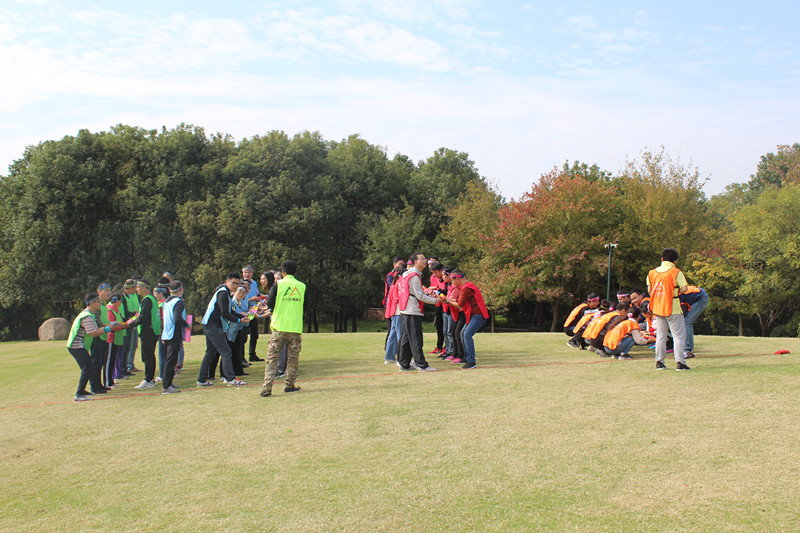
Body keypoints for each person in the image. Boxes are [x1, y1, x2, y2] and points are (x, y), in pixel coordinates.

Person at [260, 260, 306, 397]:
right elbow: (305, 305)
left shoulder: (278, 284)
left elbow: (269, 303)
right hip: (295, 327)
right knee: (293, 358)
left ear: (283, 272)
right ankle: (289, 384)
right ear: (295, 272)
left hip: (279, 326)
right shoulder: (302, 286)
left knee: (272, 358)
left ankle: (267, 387)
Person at [197, 273, 250, 387]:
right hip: (212, 326)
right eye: (233, 283)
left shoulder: (227, 293)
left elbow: (230, 311)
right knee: (226, 351)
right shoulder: (223, 293)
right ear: (227, 282)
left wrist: (241, 317)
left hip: (211, 325)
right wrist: (239, 320)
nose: (235, 286)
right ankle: (230, 378)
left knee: (210, 353)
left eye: (237, 283)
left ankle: (201, 380)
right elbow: (224, 313)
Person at [396, 252, 442, 372]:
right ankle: (421, 365)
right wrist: (436, 300)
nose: (425, 261)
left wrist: (428, 294)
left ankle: (403, 363)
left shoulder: (408, 274)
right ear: (415, 262)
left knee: (407, 337)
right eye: (422, 259)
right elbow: (419, 295)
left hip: (406, 309)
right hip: (412, 310)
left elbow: (416, 292)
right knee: (416, 338)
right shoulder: (414, 276)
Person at [647, 248, 690, 371]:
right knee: (678, 336)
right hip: (673, 307)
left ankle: (659, 361)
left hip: (658, 308)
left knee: (661, 336)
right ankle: (680, 362)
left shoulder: (652, 273)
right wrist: (674, 291)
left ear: (662, 259)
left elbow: (650, 290)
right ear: (675, 261)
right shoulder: (676, 272)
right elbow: (685, 288)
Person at [66, 292, 112, 401]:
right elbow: (93, 333)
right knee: (87, 368)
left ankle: (82, 391)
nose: (100, 303)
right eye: (98, 302)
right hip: (76, 346)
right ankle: (79, 394)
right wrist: (108, 329)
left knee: (89, 368)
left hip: (79, 345)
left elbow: (94, 330)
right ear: (91, 303)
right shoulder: (87, 316)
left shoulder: (89, 314)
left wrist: (108, 327)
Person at [445, 270, 489, 369]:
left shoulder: (467, 288)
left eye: (452, 280)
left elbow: (459, 305)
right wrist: (446, 299)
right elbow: (458, 300)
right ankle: (466, 358)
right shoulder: (467, 286)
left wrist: (446, 301)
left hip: (478, 315)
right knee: (462, 334)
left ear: (458, 278)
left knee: (466, 335)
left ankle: (471, 362)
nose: (452, 282)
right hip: (474, 315)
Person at [130, 280, 161, 389]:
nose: (136, 289)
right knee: (149, 355)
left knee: (147, 356)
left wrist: (131, 324)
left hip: (148, 331)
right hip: (152, 331)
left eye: (138, 287)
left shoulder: (147, 300)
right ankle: (150, 378)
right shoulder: (152, 298)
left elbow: (143, 317)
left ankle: (148, 379)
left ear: (144, 287)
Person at [161, 280, 189, 394]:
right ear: (181, 289)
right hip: (174, 333)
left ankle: (169, 382)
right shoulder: (178, 302)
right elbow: (177, 319)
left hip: (166, 333)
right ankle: (166, 386)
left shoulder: (167, 301)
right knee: (171, 361)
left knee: (171, 360)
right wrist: (188, 325)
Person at [680, 285, 709, 359]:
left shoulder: (678, 294)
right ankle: (684, 349)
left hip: (701, 298)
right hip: (694, 299)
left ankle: (687, 351)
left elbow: (683, 311)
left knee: (686, 322)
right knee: (684, 322)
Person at [242, 265, 263, 362]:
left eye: (249, 272)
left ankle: (252, 354)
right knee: (243, 335)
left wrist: (259, 300)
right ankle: (241, 357)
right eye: (245, 272)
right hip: (244, 309)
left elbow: (257, 293)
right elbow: (239, 298)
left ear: (252, 273)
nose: (247, 274)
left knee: (254, 333)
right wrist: (251, 299)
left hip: (253, 309)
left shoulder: (254, 283)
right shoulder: (241, 283)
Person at [383, 265, 404, 363]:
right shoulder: (399, 284)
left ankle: (389, 357)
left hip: (393, 311)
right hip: (399, 311)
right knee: (400, 336)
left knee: (393, 334)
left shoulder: (393, 284)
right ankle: (401, 359)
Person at [427, 259, 446, 355]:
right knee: (439, 327)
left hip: (446, 306)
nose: (434, 275)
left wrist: (437, 291)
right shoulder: (436, 278)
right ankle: (440, 347)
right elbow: (440, 293)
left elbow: (445, 293)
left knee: (447, 329)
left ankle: (448, 348)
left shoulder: (447, 279)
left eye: (435, 272)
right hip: (439, 304)